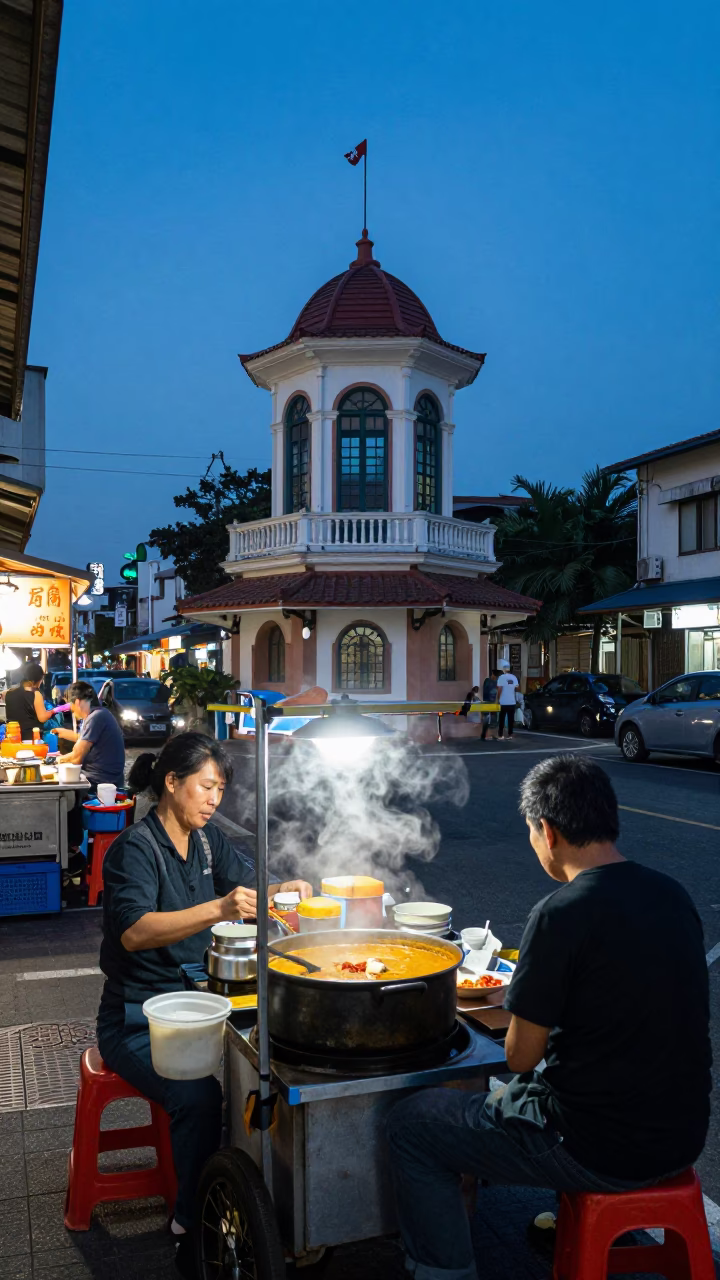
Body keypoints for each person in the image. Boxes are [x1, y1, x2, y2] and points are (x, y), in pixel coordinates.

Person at [387, 756, 711, 1280]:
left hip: (595, 1148)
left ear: (548, 831)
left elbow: (520, 1056)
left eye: (532, 834)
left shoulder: (561, 913)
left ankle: (443, 1271)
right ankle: (592, 1228)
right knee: (569, 1083)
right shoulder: (671, 896)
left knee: (413, 1124)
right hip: (680, 1135)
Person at [96, 732, 312, 1278]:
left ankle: (268, 1194)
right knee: (199, 1096)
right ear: (172, 783)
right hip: (139, 1016)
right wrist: (217, 908)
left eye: (220, 789)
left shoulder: (209, 841)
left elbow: (249, 892)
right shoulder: (134, 849)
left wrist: (289, 890)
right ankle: (195, 1223)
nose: (214, 799)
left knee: (271, 1059)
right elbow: (135, 931)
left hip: (201, 1001)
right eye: (206, 786)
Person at [4, 661, 64, 740]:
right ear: (35, 681)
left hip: (12, 738)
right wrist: (53, 711)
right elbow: (42, 718)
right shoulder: (35, 694)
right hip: (31, 738)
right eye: (41, 680)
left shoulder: (8, 693)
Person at [496, 666, 519, 740]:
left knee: (501, 718)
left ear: (503, 670)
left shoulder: (501, 677)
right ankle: (510, 734)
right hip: (512, 701)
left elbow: (499, 689)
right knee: (511, 719)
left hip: (503, 702)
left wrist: (498, 699)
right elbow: (517, 688)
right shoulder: (514, 677)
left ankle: (500, 735)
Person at [480, 668, 500, 741]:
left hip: (487, 702)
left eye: (492, 674)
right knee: (492, 718)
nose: (492, 675)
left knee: (488, 718)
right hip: (491, 702)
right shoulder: (495, 682)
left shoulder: (488, 681)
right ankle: (492, 734)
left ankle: (485, 734)